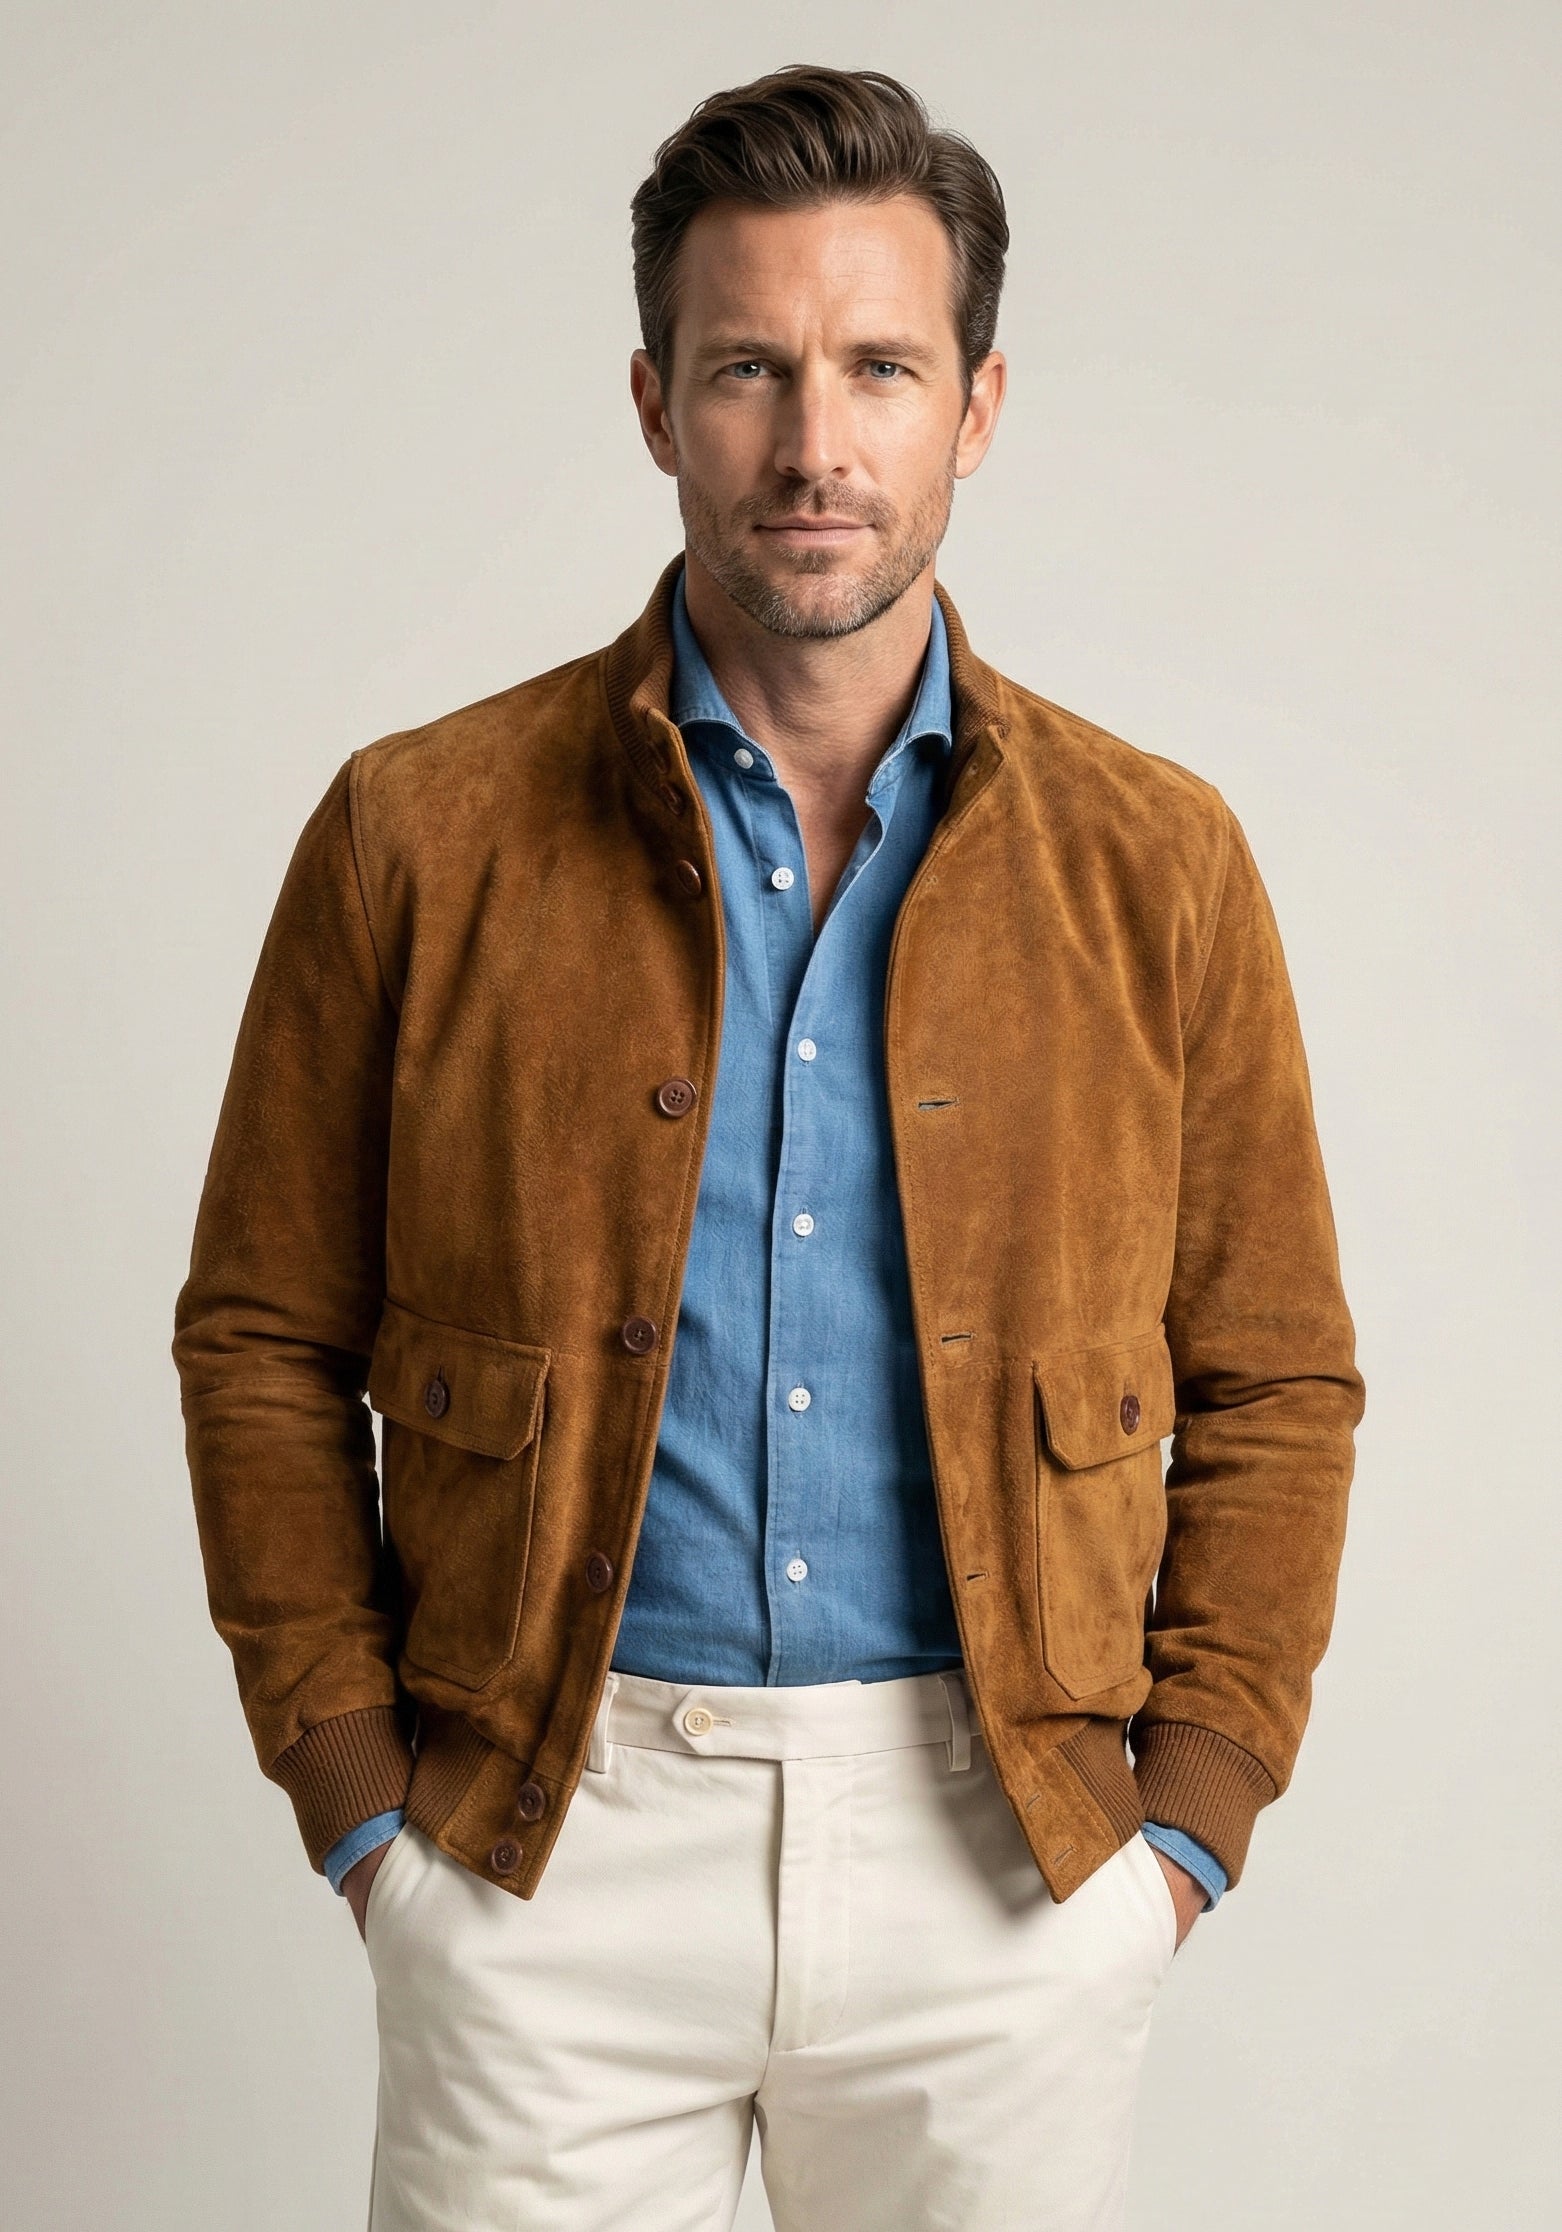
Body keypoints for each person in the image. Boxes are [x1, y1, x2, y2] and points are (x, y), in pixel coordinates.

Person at [173, 62, 1364, 2232]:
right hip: (544, 1843)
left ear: (976, 408)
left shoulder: (1155, 862)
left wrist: (1181, 1827)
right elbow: (260, 1337)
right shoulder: (417, 833)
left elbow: (1275, 1376)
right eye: (748, 369)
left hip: (1003, 1861)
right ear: (654, 404)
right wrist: (363, 1812)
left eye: (879, 368)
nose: (816, 444)